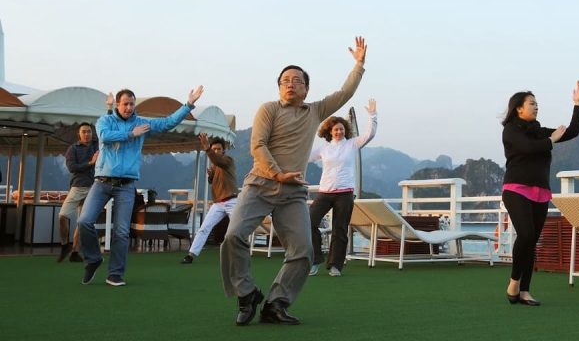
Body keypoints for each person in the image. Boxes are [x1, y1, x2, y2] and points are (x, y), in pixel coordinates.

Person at [220, 36, 368, 326]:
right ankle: (247, 292)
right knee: (233, 236)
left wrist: (359, 65)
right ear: (279, 87)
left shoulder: (314, 111)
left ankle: (276, 303)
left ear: (306, 88)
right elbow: (258, 146)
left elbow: (345, 92)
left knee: (303, 251)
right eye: (285, 80)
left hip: (293, 195)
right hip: (260, 185)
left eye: (297, 80)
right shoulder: (269, 110)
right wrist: (276, 173)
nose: (291, 84)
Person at [78, 86, 204, 286]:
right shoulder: (105, 120)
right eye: (125, 104)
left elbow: (167, 123)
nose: (129, 107)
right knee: (84, 221)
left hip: (126, 185)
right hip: (102, 182)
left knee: (121, 231)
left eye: (132, 104)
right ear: (117, 105)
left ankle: (115, 274)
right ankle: (93, 259)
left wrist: (188, 104)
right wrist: (131, 133)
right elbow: (105, 137)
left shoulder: (142, 123)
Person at [502, 81, 579, 306]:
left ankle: (525, 291)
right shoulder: (511, 130)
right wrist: (552, 139)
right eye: (532, 103)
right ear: (519, 108)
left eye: (537, 103)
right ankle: (514, 283)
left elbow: (573, 131)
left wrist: (577, 104)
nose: (536, 107)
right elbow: (529, 147)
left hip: (540, 193)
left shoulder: (539, 131)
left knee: (531, 242)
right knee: (526, 235)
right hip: (516, 190)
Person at [308, 98, 377, 277]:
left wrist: (372, 115)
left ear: (345, 130)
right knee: (309, 222)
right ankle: (315, 260)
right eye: (336, 129)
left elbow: (370, 134)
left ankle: (335, 266)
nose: (339, 131)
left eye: (342, 129)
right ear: (329, 131)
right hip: (325, 192)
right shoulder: (323, 149)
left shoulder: (352, 144)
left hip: (345, 193)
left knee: (340, 229)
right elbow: (304, 157)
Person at [181, 134, 238, 264]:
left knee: (236, 229)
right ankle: (191, 255)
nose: (216, 151)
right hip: (218, 203)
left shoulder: (228, 160)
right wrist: (211, 176)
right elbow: (213, 181)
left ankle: (240, 254)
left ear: (224, 150)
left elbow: (218, 160)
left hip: (232, 201)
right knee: (204, 228)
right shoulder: (214, 165)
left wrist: (207, 147)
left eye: (218, 149)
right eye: (214, 149)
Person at [56, 123, 99, 263]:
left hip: (94, 188)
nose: (87, 134)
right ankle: (64, 245)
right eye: (84, 132)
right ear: (79, 134)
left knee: (82, 222)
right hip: (78, 187)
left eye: (89, 132)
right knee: (62, 215)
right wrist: (90, 163)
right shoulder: (73, 149)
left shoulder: (97, 146)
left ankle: (75, 252)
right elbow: (72, 167)